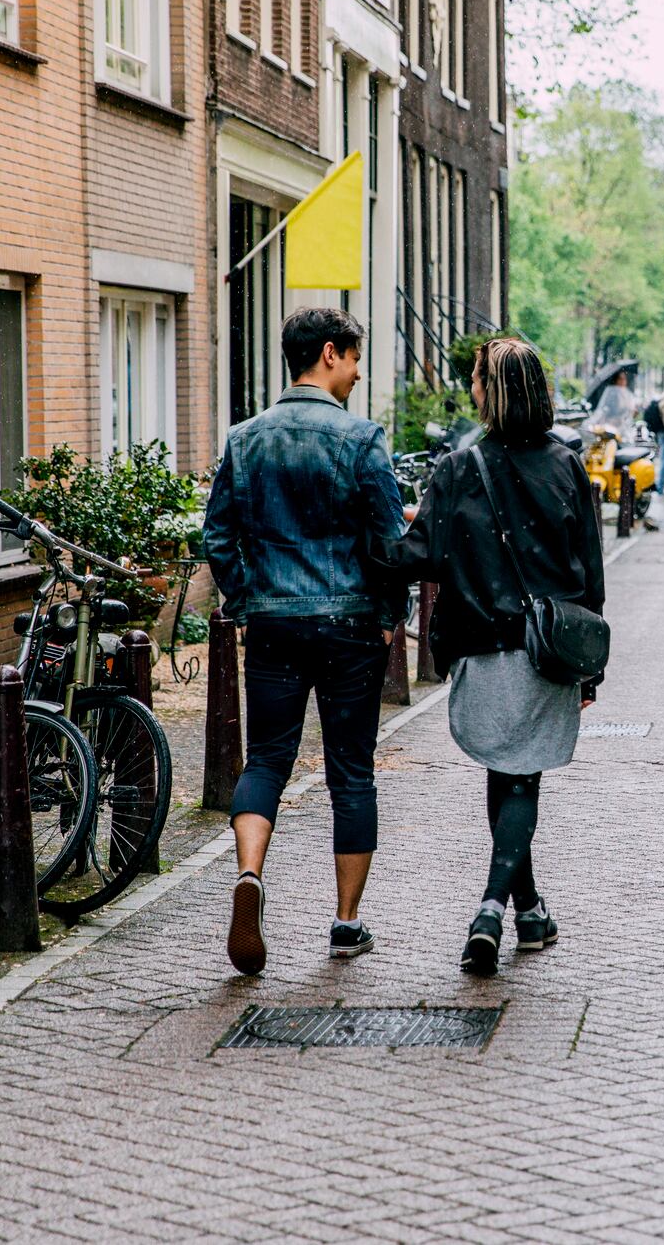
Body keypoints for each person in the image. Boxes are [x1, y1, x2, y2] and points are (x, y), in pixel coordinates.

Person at [375, 338, 606, 976]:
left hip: (481, 647)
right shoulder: (566, 466)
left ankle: (517, 909)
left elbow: (416, 555)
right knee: (520, 776)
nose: (472, 388)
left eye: (477, 379)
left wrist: (364, 531)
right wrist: (592, 664)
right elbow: (589, 574)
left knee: (504, 773)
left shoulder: (457, 468)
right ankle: (498, 908)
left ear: (491, 390)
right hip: (548, 647)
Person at [203, 308, 406, 975]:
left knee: (266, 759)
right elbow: (386, 541)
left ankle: (250, 873)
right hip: (349, 626)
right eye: (352, 360)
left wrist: (246, 596)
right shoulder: (361, 437)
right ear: (327, 354)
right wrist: (388, 609)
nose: (354, 374)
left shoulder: (245, 439)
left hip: (273, 626)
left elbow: (218, 536)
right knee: (350, 772)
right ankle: (346, 923)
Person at [587, 365, 640, 435]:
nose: (623, 381)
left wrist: (633, 413)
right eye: (620, 379)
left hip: (624, 429)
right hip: (610, 427)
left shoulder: (628, 394)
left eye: (624, 379)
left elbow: (630, 413)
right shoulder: (611, 393)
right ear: (616, 380)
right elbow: (604, 410)